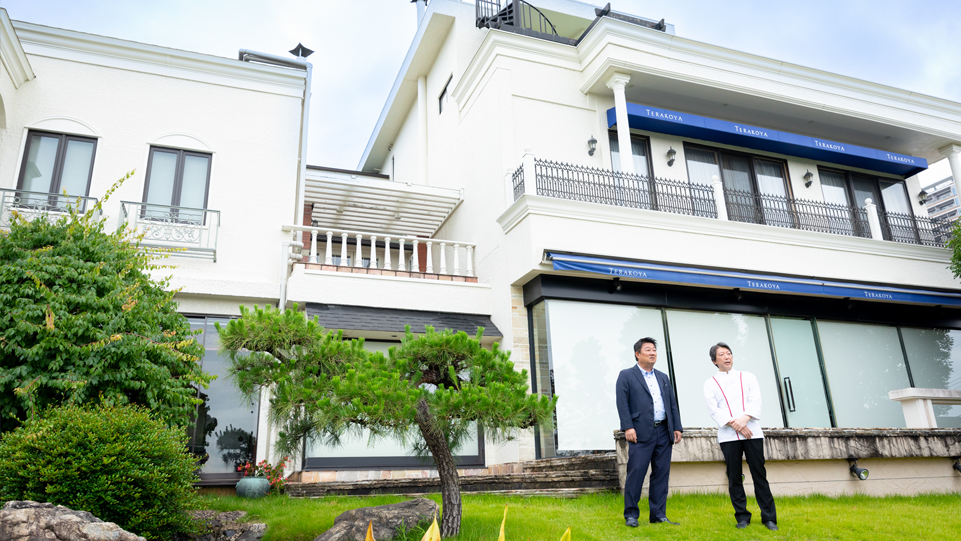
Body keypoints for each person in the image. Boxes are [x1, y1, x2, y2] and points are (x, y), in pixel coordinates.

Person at [702, 342, 778, 531]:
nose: (727, 357)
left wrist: (743, 420)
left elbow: (755, 401)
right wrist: (735, 424)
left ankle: (769, 518)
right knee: (734, 477)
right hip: (728, 436)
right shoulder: (710, 383)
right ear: (714, 361)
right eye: (721, 354)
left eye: (729, 353)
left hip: (752, 433)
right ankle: (742, 517)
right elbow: (714, 409)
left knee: (759, 474)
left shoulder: (748, 377)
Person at [615, 337, 683, 528]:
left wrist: (677, 427)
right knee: (636, 473)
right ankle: (631, 515)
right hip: (640, 432)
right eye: (648, 350)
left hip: (663, 431)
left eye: (654, 350)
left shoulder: (663, 377)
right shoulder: (626, 375)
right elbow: (622, 403)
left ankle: (658, 515)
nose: (652, 353)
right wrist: (628, 427)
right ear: (637, 354)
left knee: (661, 474)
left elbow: (672, 404)